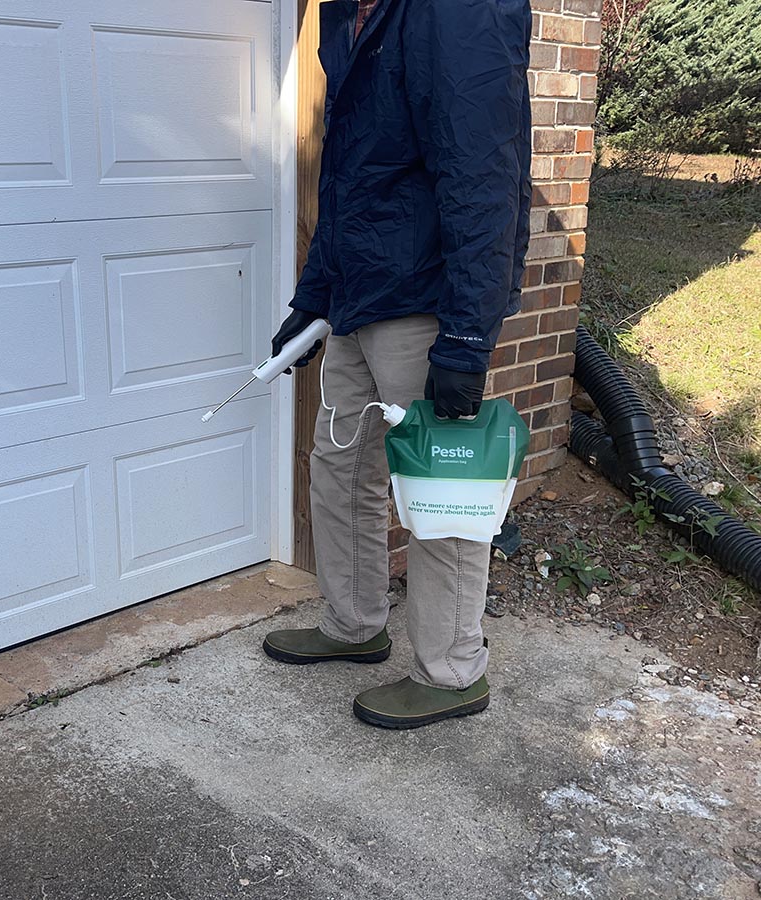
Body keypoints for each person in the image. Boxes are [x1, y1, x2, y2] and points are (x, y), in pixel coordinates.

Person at [262, 0, 533, 728]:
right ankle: (354, 627)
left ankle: (451, 672)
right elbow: (347, 178)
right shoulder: (346, 14)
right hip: (357, 294)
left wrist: (469, 338)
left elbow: (484, 172)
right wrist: (312, 299)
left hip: (427, 301)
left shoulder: (460, 11)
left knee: (438, 487)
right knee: (339, 464)